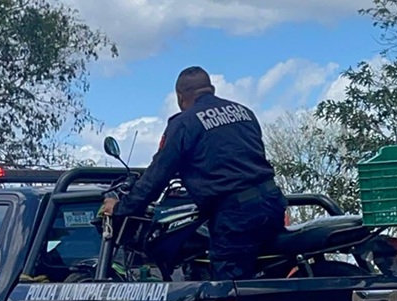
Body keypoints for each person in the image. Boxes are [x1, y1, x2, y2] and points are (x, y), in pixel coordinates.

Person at [102, 66, 288, 280]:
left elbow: (157, 176)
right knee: (269, 275)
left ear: (180, 97)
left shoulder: (184, 123)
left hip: (236, 216)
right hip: (272, 203)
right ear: (212, 89)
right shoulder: (244, 113)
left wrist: (121, 208)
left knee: (229, 290)